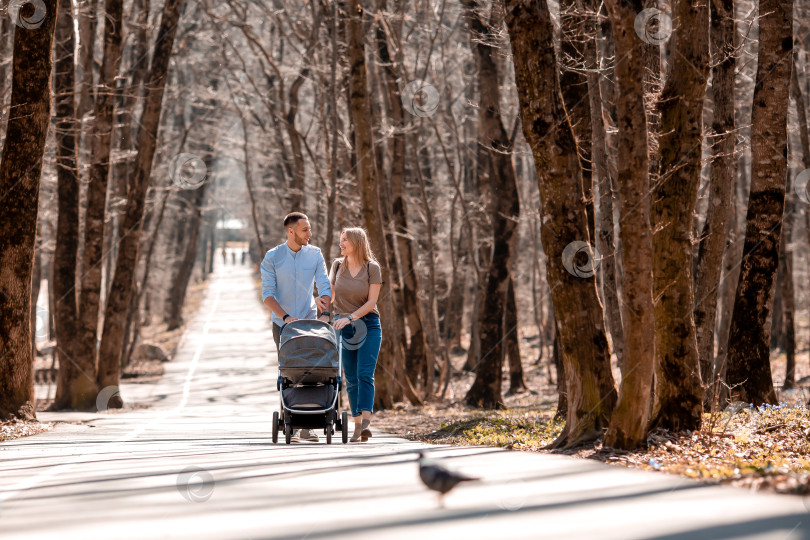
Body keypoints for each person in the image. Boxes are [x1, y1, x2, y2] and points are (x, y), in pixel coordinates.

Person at [261, 212, 332, 443]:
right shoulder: (272, 257)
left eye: (309, 229)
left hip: (310, 321)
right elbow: (268, 295)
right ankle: (289, 418)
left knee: (313, 371)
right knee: (289, 372)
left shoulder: (315, 254)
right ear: (290, 232)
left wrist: (326, 311)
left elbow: (323, 283)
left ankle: (308, 426)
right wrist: (286, 317)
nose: (309, 234)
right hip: (283, 325)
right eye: (305, 230)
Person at [329, 227, 383, 443]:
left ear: (357, 242)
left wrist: (351, 317)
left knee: (364, 374)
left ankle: (367, 423)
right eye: (340, 240)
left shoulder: (372, 268)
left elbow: (371, 303)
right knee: (351, 377)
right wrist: (321, 302)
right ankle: (357, 426)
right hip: (344, 326)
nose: (341, 244)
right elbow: (330, 294)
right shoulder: (337, 265)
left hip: (368, 324)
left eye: (345, 240)